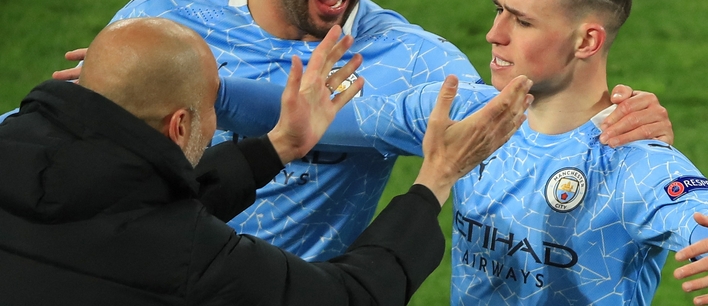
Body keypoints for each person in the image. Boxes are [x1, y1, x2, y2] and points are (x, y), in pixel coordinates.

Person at [50, 0, 674, 261]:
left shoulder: (411, 62)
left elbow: (521, 133)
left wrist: (623, 125)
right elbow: (48, 152)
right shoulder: (166, 17)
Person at [214, 0, 708, 305]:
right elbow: (309, 118)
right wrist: (196, 93)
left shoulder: (632, 157)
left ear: (587, 40)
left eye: (521, 21)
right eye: (497, 10)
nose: (494, 34)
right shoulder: (463, 113)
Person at [0, 17, 534, 305]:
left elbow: (121, 208)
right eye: (213, 107)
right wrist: (434, 180)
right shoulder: (186, 255)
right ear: (181, 126)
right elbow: (349, 297)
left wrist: (278, 146)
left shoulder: (16, 146)